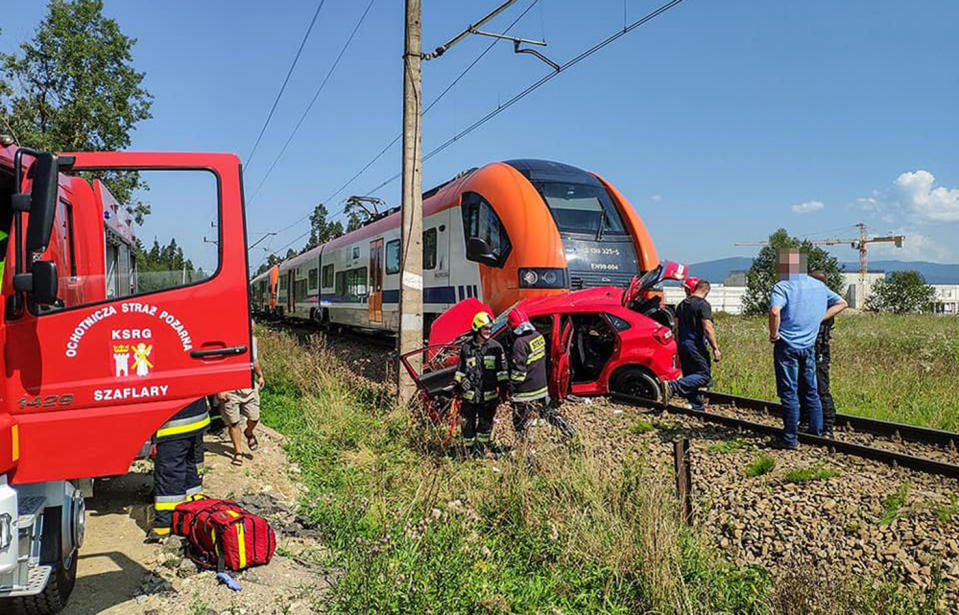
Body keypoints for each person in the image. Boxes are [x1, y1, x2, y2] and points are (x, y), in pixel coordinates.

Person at [768, 250, 847, 449]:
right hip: (809, 345)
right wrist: (819, 318)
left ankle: (790, 438)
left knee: (789, 392)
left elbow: (775, 311)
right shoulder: (818, 286)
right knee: (811, 390)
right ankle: (817, 433)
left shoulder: (783, 286)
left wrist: (774, 334)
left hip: (786, 345)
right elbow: (842, 303)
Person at [147, 397, 210, 542]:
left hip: (173, 423)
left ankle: (166, 523)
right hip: (196, 416)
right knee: (189, 466)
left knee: (169, 472)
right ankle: (194, 509)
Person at [506, 307, 574, 439]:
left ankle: (525, 449)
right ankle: (568, 429)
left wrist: (510, 388)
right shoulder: (538, 336)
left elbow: (519, 374)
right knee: (546, 412)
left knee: (519, 422)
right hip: (541, 387)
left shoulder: (519, 344)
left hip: (525, 392)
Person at [453, 311, 508, 456]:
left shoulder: (496, 348)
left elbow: (502, 373)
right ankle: (467, 452)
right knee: (466, 425)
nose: (489, 331)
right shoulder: (467, 348)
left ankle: (479, 451)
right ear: (477, 329)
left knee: (485, 427)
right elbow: (460, 370)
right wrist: (460, 382)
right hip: (469, 398)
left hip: (488, 398)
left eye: (490, 329)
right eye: (486, 328)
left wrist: (503, 393)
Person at [661, 279, 721, 410]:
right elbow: (707, 328)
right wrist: (715, 348)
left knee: (689, 377)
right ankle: (672, 386)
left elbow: (675, 328)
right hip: (696, 344)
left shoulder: (681, 305)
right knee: (704, 376)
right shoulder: (703, 305)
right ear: (707, 291)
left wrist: (678, 345)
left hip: (682, 344)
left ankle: (696, 407)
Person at [799, 270, 841, 438]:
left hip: (818, 349)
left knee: (820, 388)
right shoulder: (818, 301)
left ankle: (827, 426)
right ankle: (807, 420)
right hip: (809, 347)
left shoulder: (825, 303)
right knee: (803, 386)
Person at [218, 320, 266, 466]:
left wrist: (260, 375)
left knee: (254, 417)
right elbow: (218, 366)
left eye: (252, 328)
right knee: (233, 422)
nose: (251, 330)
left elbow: (254, 360)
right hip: (229, 388)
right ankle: (238, 452)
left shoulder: (253, 341)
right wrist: (219, 389)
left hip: (248, 386)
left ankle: (249, 432)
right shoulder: (224, 342)